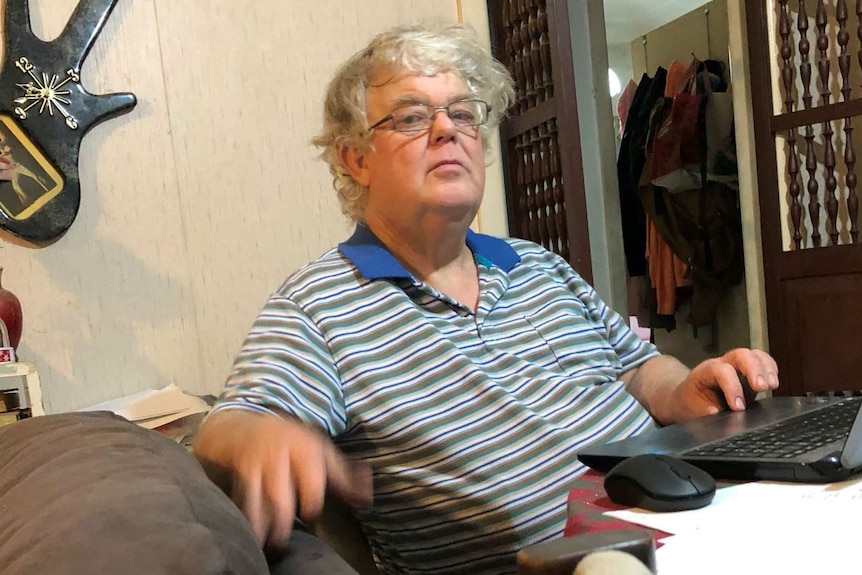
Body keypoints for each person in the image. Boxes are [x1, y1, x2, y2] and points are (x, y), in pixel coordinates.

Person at [193, 22, 779, 575]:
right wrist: (258, 436)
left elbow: (637, 369)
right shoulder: (319, 305)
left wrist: (685, 388)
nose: (447, 130)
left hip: (707, 522)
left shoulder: (537, 265)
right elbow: (230, 424)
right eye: (411, 117)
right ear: (355, 158)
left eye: (463, 114)